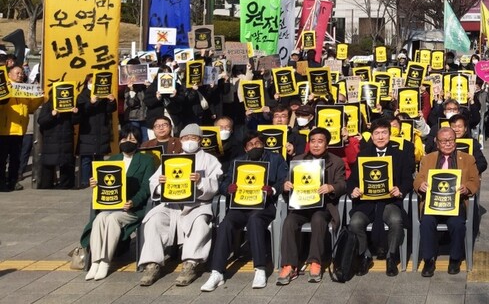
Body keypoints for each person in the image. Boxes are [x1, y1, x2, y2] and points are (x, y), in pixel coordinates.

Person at [200, 131, 288, 291]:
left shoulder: (276, 159)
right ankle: (217, 272)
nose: (255, 147)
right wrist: (228, 188)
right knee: (226, 223)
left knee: (255, 220)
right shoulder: (237, 162)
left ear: (264, 145)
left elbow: (284, 179)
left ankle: (260, 269)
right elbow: (223, 183)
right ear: (245, 149)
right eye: (250, 145)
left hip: (264, 205)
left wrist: (273, 190)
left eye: (258, 143)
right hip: (241, 205)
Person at [138, 124, 223, 287]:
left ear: (200, 140)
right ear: (181, 140)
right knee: (154, 219)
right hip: (171, 205)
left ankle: (190, 264)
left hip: (198, 204)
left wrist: (200, 181)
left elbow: (215, 185)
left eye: (193, 138)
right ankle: (152, 264)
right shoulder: (172, 159)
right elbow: (153, 181)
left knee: (199, 223)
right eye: (185, 138)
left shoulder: (210, 160)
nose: (189, 141)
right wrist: (160, 183)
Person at [80, 124, 155, 280]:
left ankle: (106, 261)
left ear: (138, 142)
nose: (128, 141)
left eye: (132, 139)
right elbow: (105, 186)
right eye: (125, 138)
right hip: (111, 205)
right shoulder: (113, 159)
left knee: (113, 219)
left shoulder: (147, 160)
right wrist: (95, 184)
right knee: (100, 219)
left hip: (132, 209)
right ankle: (95, 261)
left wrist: (133, 202)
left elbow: (146, 188)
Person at [277, 127, 348, 284]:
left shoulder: (336, 161)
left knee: (318, 220)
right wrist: (285, 186)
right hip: (301, 204)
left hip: (323, 206)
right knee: (289, 222)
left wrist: (332, 187)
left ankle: (315, 262)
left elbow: (343, 183)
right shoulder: (298, 159)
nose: (316, 145)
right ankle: (289, 265)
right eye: (313, 141)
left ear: (327, 144)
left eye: (320, 141)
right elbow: (285, 181)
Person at [347, 119, 414, 276]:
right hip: (367, 203)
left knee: (396, 221)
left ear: (390, 135)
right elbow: (352, 181)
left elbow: (408, 180)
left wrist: (400, 190)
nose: (381, 137)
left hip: (390, 201)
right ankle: (365, 256)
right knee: (355, 222)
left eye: (384, 133)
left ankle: (391, 256)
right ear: (371, 136)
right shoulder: (363, 155)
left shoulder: (400, 155)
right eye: (377, 133)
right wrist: (353, 190)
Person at [415, 126, 481, 276]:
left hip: (456, 202)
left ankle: (455, 258)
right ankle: (429, 260)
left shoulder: (467, 159)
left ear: (455, 141)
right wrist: (421, 185)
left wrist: (467, 188)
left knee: (457, 224)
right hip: (434, 203)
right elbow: (418, 179)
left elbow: (475, 180)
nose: (448, 144)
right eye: (444, 141)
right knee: (426, 223)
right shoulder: (428, 159)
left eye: (451, 140)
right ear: (437, 142)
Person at [0, 66, 43, 191]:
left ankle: (13, 181)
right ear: (9, 74)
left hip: (20, 130)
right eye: (17, 73)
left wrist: (39, 97)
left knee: (16, 159)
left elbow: (31, 108)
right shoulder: (4, 88)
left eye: (22, 73)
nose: (20, 75)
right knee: (2, 159)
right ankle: (2, 182)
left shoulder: (25, 88)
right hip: (4, 130)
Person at [76, 77, 118, 186]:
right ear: (86, 83)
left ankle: (99, 179)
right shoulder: (83, 95)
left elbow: (110, 110)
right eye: (90, 82)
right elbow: (81, 111)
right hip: (87, 130)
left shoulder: (103, 95)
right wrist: (90, 102)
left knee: (99, 157)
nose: (93, 84)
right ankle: (85, 181)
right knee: (86, 158)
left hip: (101, 130)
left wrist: (112, 101)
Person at [36, 90, 78, 189]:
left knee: (66, 162)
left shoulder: (69, 105)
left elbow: (75, 121)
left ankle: (66, 185)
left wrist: (75, 113)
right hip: (51, 139)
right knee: (49, 163)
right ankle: (46, 185)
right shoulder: (48, 105)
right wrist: (52, 114)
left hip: (66, 139)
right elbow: (41, 121)